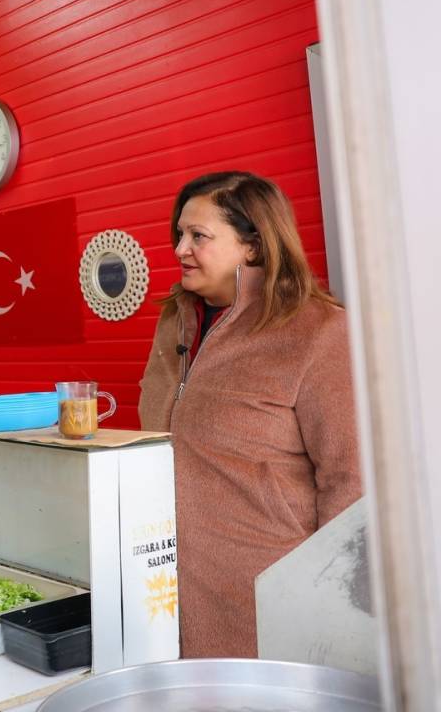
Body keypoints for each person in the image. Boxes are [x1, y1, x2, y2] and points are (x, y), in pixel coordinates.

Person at [138, 171, 363, 658]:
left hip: (268, 595)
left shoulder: (319, 330)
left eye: (199, 236)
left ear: (253, 247)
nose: (180, 249)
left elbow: (351, 481)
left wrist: (326, 600)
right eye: (179, 234)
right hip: (163, 587)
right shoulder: (175, 321)